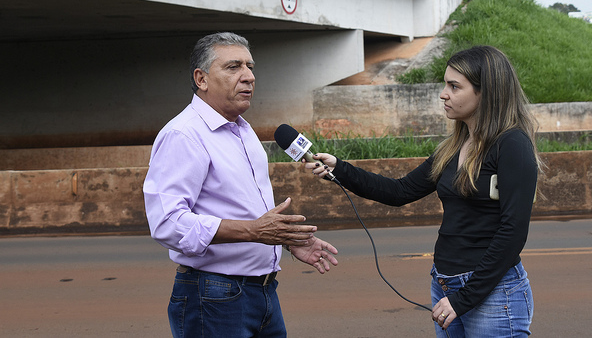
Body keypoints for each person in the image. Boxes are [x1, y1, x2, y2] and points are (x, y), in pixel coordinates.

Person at [304, 46, 541, 337]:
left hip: (491, 292)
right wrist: (339, 168)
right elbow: (399, 191)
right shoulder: (453, 147)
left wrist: (464, 298)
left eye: (455, 86)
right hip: (445, 284)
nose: (444, 93)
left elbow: (513, 231)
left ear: (486, 92)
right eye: (445, 84)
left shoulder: (512, 145)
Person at [144, 32, 338, 338]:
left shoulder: (242, 130)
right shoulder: (184, 135)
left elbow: (243, 209)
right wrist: (255, 232)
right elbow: (167, 223)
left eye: (250, 66)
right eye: (234, 67)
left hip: (263, 291)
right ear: (202, 78)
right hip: (214, 295)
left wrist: (286, 238)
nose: (248, 77)